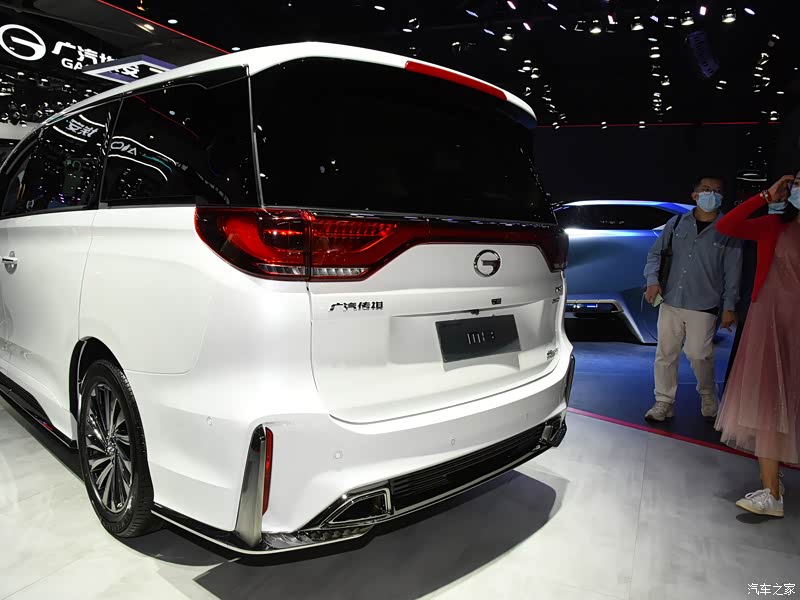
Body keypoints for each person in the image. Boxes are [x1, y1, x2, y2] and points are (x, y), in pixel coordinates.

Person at [714, 173, 800, 518]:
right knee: (767, 401)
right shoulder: (774, 225)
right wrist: (765, 196)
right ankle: (771, 491)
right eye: (797, 184)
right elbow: (727, 226)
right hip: (769, 321)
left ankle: (773, 483)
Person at [643, 177, 742, 422]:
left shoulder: (728, 229)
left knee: (699, 354)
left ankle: (708, 394)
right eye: (706, 190)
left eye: (717, 191)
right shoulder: (677, 223)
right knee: (665, 353)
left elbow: (733, 271)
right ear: (695, 195)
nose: (712, 194)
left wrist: (730, 306)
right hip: (670, 299)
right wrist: (652, 280)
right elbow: (655, 254)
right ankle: (663, 401)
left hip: (705, 302)